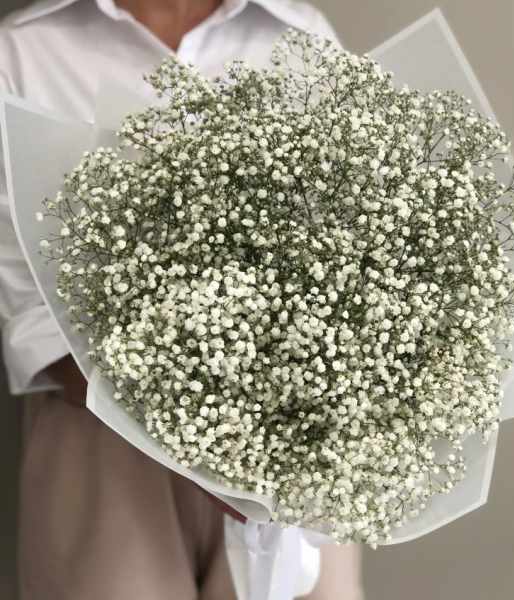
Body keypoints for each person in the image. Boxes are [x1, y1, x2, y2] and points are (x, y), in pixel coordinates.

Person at [0, 1, 365, 598]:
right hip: (101, 440)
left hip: (290, 449)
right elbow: (29, 314)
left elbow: (359, 245)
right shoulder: (23, 51)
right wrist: (200, 442)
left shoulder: (303, 35)